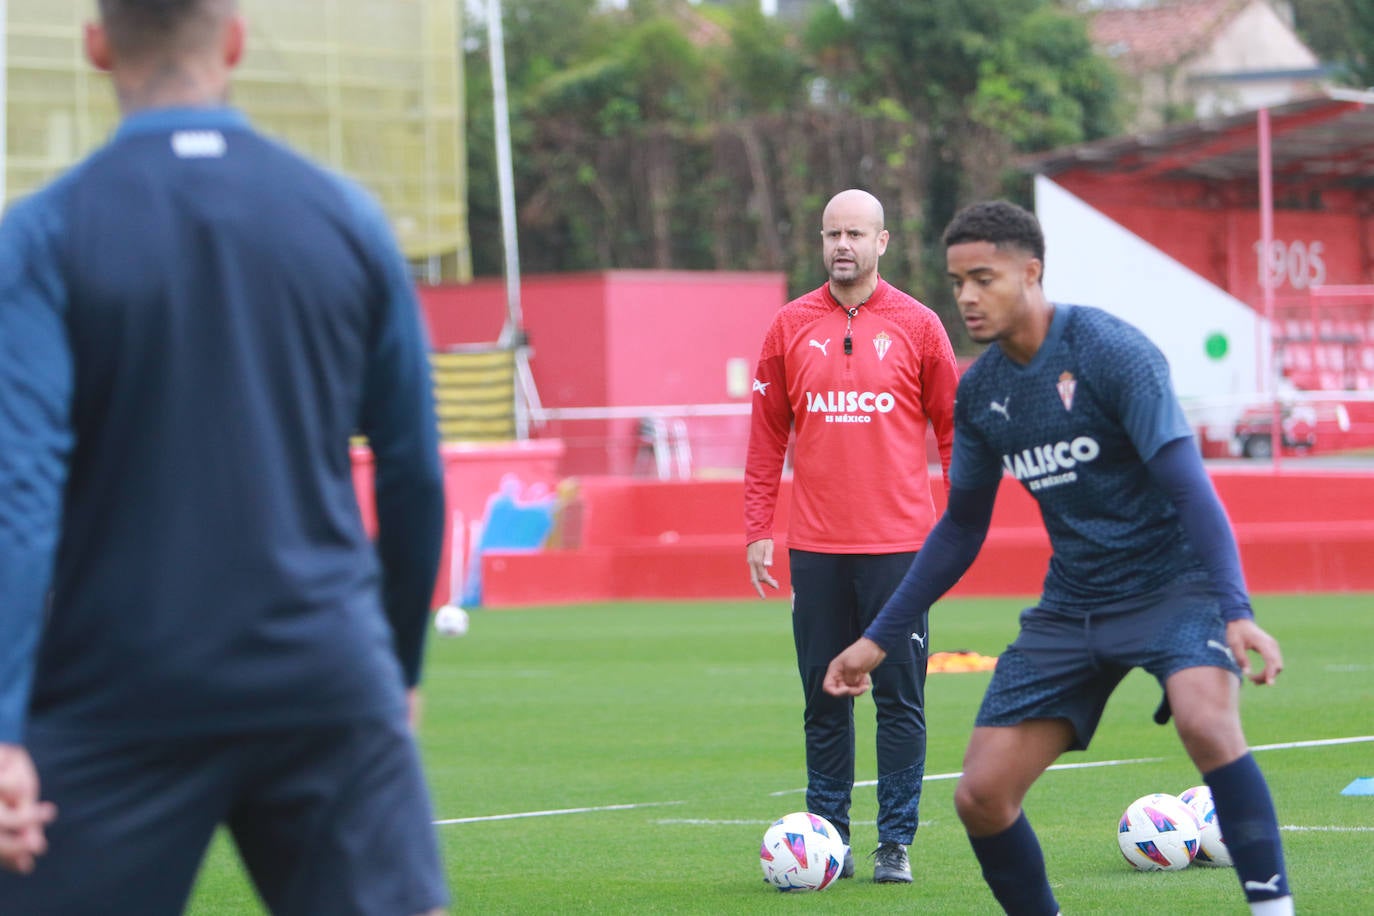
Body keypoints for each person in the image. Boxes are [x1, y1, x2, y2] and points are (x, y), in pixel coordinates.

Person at [0, 2, 449, 913]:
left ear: (97, 47)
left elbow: (21, 492)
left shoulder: (43, 235)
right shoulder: (348, 220)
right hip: (326, 676)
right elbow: (413, 472)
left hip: (118, 681)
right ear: (236, 42)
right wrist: (395, 671)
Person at [824, 200, 1292, 915]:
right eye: (957, 282)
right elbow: (957, 531)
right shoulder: (981, 392)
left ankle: (1273, 908)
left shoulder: (1112, 353)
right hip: (1073, 606)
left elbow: (1190, 490)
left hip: (1175, 589)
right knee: (980, 796)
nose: (968, 297)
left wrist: (1237, 611)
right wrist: (876, 640)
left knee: (1205, 720)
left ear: (1031, 272)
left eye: (985, 278)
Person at [745, 188, 958, 884]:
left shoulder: (921, 327)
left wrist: (961, 523)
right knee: (823, 697)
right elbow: (766, 435)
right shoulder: (788, 327)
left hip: (900, 549)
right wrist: (758, 528)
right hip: (817, 548)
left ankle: (894, 841)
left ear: (883, 242)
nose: (843, 245)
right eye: (832, 233)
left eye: (856, 234)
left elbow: (956, 431)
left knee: (900, 698)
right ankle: (826, 839)